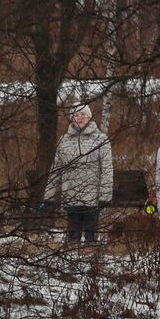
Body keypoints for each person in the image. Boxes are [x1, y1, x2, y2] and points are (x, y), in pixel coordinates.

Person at [51, 104, 114, 244]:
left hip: (92, 197)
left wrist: (105, 195)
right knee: (73, 238)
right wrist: (48, 196)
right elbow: (56, 169)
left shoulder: (101, 140)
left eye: (83, 114)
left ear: (89, 117)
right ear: (72, 118)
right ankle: (72, 260)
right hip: (71, 195)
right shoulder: (64, 141)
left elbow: (107, 169)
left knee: (91, 238)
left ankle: (92, 261)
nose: (79, 118)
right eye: (76, 115)